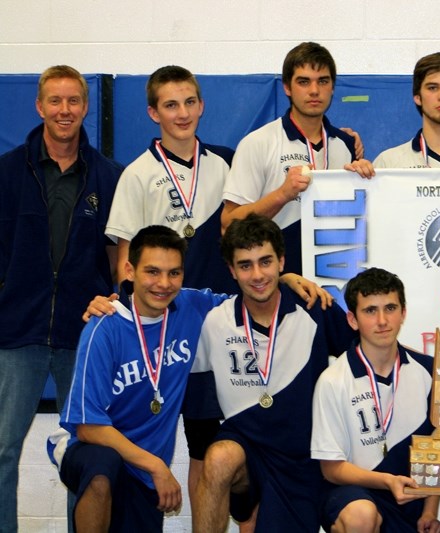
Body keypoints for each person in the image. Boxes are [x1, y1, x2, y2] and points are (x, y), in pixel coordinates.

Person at [0, 65, 122, 533]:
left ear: (86, 107)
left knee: (84, 451)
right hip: (17, 333)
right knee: (4, 448)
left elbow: (119, 256)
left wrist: (112, 304)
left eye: (73, 101)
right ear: (39, 106)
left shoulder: (109, 177)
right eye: (55, 101)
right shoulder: (8, 171)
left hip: (83, 335)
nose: (64, 110)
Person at [46, 225, 229, 532]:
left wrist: (287, 278)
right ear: (129, 270)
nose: (163, 283)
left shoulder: (191, 306)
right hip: (92, 449)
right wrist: (157, 466)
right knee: (102, 470)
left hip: (142, 472)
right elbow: (88, 426)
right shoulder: (104, 327)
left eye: (174, 273)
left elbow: (251, 298)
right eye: (152, 272)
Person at [189, 213, 357, 532]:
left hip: (300, 459)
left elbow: (365, 357)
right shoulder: (215, 321)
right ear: (231, 270)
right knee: (218, 457)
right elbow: (199, 408)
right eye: (245, 265)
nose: (257, 274)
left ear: (281, 262)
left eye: (265, 261)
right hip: (246, 451)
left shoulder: (314, 307)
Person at [221, 42, 375, 276]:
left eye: (323, 81)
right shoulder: (258, 143)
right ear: (287, 88)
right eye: (304, 82)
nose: (314, 91)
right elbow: (229, 225)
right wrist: (282, 194)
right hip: (275, 283)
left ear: (333, 87)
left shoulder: (345, 144)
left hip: (333, 279)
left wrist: (365, 179)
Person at [310, 267, 440, 533]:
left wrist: (429, 512)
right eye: (370, 311)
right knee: (362, 515)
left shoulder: (431, 371)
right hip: (351, 494)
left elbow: (438, 449)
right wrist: (386, 481)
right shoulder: (333, 380)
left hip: (410, 498)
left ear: (403, 312)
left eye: (390, 308)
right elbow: (331, 469)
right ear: (352, 319)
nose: (382, 320)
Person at [106, 65, 238, 294]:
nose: (183, 114)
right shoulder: (136, 174)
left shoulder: (227, 161)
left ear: (201, 106)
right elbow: (125, 262)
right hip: (167, 308)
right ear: (154, 113)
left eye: (189, 102)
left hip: (223, 304)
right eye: (171, 106)